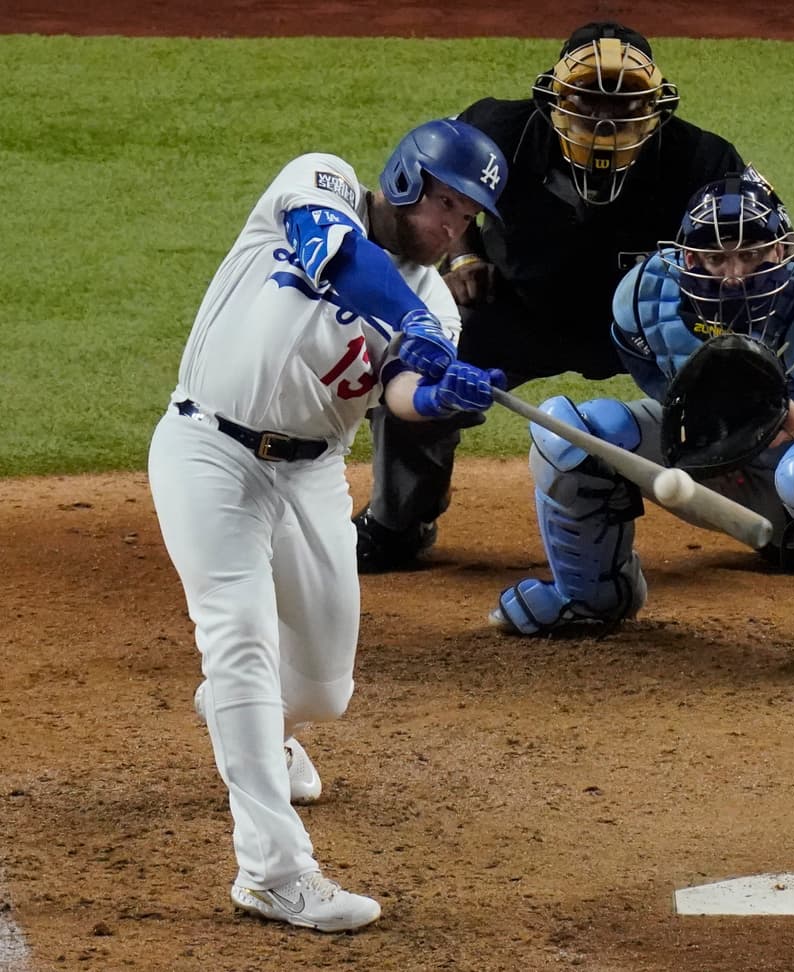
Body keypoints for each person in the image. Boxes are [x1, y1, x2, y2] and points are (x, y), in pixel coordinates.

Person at [148, 118, 509, 932]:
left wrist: (443, 397)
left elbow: (400, 396)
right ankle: (274, 873)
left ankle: (249, 721)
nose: (454, 228)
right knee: (240, 641)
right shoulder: (322, 181)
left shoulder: (434, 307)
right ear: (409, 181)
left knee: (321, 690)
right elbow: (339, 254)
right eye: (446, 205)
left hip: (309, 476)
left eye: (468, 216)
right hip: (209, 452)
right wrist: (410, 325)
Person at [488, 172, 794, 686]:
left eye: (751, 254)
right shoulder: (647, 303)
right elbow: (660, 389)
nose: (734, 274)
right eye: (716, 256)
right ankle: (590, 594)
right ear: (687, 258)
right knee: (567, 433)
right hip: (738, 466)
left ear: (781, 252)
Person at [355, 20, 747, 572]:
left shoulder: (702, 160)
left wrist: (717, 318)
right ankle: (398, 523)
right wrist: (465, 256)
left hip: (647, 328)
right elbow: (450, 184)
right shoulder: (501, 131)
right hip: (518, 309)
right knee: (422, 368)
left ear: (659, 108)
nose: (605, 119)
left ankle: (793, 522)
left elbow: (757, 243)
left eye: (627, 103)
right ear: (553, 99)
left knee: (746, 377)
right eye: (587, 102)